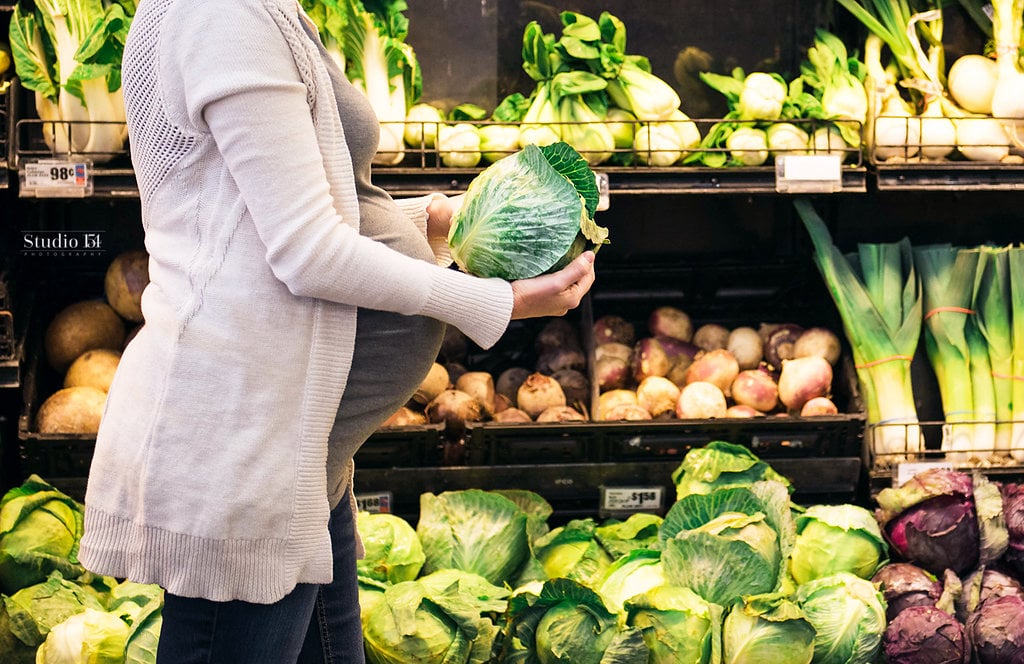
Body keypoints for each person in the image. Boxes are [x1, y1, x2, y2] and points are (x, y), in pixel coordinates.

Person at [76, 0, 596, 661]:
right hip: (245, 445)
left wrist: (420, 229)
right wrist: (493, 302)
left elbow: (252, 216)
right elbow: (304, 250)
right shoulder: (222, 13)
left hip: (304, 448)